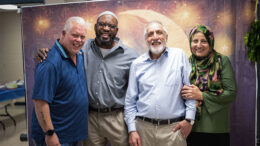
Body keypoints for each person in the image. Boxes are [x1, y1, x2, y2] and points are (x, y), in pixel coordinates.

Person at [37, 11, 138, 146]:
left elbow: (136, 91)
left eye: (111, 26)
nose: (106, 28)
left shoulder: (131, 56)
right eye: (102, 24)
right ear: (96, 27)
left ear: (116, 30)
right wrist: (44, 51)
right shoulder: (82, 47)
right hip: (89, 119)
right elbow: (63, 47)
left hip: (117, 118)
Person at [124, 21, 196, 146]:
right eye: (150, 34)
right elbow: (130, 101)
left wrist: (189, 119)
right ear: (146, 39)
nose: (155, 37)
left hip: (174, 130)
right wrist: (132, 130)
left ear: (166, 37)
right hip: (143, 130)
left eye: (159, 32)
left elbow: (191, 92)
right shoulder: (137, 64)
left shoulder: (179, 56)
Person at [31, 16, 89, 146]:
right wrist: (50, 134)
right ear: (63, 33)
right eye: (75, 35)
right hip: (55, 137)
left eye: (82, 37)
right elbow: (40, 103)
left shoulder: (79, 55)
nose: (79, 40)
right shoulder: (50, 63)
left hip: (70, 133)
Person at [181, 25, 237, 146]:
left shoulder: (222, 61)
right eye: (195, 41)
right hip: (190, 128)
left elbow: (231, 94)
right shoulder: (186, 63)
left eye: (204, 41)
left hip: (216, 128)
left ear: (211, 42)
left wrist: (201, 95)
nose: (199, 45)